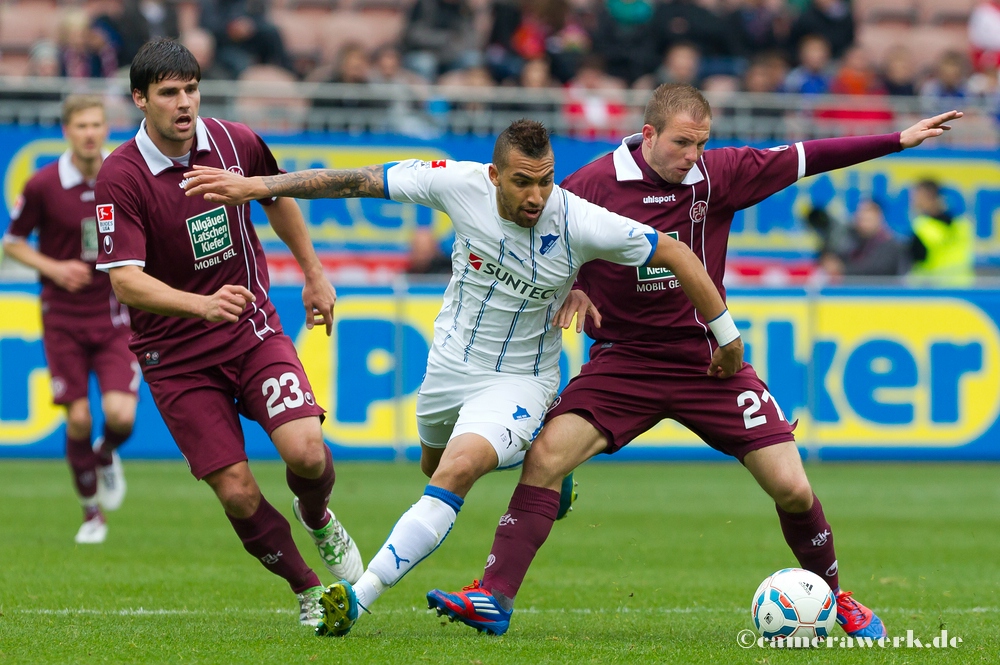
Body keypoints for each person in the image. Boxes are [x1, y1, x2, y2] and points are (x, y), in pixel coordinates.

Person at [426, 84, 963, 639]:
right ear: (650, 135)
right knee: (543, 460)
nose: (693, 156)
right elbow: (544, 244)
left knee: (794, 489)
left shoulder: (718, 174)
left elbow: (808, 156)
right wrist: (576, 286)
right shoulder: (588, 186)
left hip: (709, 364)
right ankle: (493, 596)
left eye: (701, 144)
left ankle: (835, 594)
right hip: (624, 363)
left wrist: (898, 140)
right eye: (683, 143)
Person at [181, 118, 744, 637]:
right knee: (433, 463)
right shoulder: (457, 183)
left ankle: (358, 596)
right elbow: (353, 180)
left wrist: (727, 336)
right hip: (448, 369)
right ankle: (541, 459)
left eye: (545, 182)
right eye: (523, 183)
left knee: (456, 468)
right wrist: (262, 187)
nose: (536, 197)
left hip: (521, 379)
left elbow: (674, 252)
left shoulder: (574, 217)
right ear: (495, 175)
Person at [92, 39, 362, 627]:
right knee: (238, 492)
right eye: (168, 93)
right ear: (140, 99)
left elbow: (279, 194)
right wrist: (200, 305)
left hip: (252, 332)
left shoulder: (234, 142)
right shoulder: (121, 177)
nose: (184, 103)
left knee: (308, 454)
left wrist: (314, 274)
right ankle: (310, 590)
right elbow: (127, 284)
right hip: (176, 357)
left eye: (191, 89)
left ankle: (318, 517)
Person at [2, 95, 137, 545]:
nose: (90, 133)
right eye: (81, 125)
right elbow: (13, 242)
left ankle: (104, 454)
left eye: (97, 124)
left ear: (105, 129)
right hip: (62, 316)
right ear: (67, 131)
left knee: (120, 416)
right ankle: (91, 514)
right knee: (78, 418)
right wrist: (54, 268)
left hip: (114, 313)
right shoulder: (43, 185)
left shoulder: (121, 178)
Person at [816, 199, 909, 278]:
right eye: (861, 219)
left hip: (884, 295)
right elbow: (837, 255)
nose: (864, 224)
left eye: (868, 220)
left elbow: (874, 269)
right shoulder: (854, 238)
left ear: (879, 219)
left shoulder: (890, 244)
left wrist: (841, 269)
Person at [908, 179, 975, 284]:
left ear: (927, 196)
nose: (913, 200)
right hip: (962, 287)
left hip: (933, 289)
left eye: (916, 195)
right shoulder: (963, 224)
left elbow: (915, 259)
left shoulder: (921, 227)